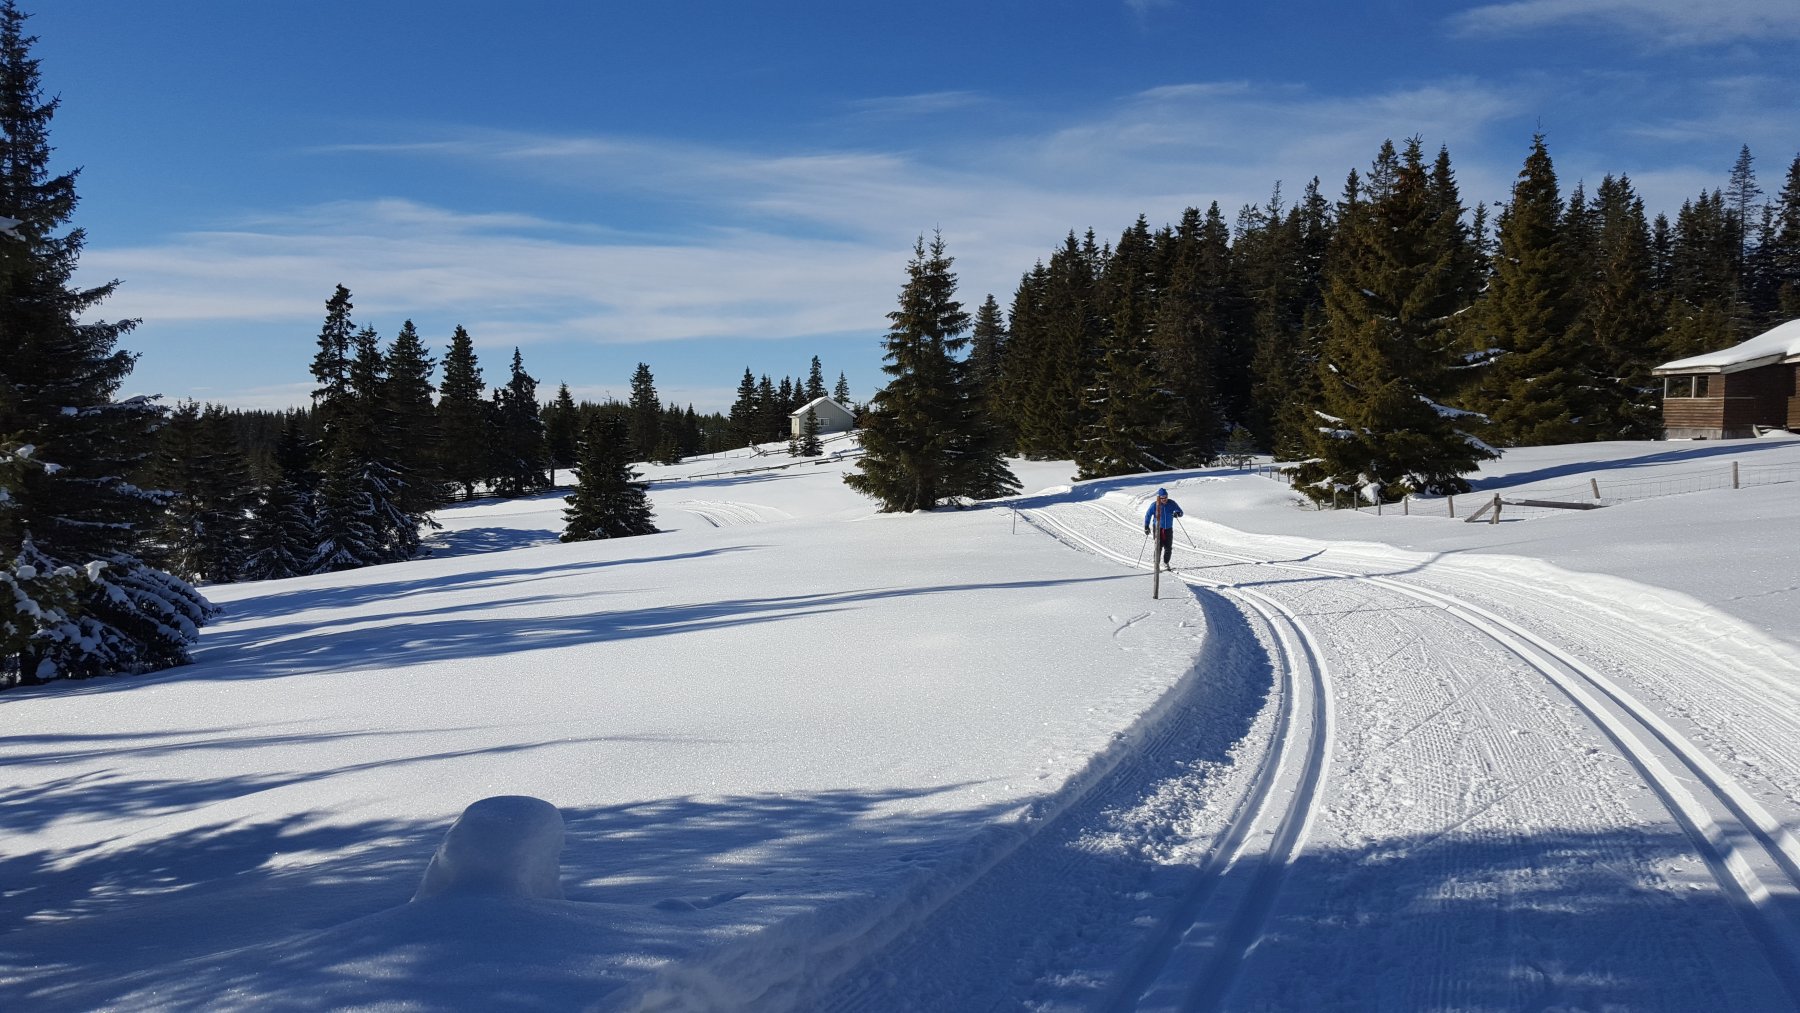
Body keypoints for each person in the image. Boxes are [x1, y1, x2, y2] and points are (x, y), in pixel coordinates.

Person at [1143, 487, 1183, 568]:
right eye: (1162, 498)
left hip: (1168, 528)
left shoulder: (1172, 503)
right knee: (1158, 546)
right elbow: (1148, 515)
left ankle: (1166, 562)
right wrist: (1146, 526)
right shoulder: (1155, 505)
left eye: (1165, 497)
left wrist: (1177, 514)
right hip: (1158, 528)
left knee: (1168, 547)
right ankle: (1156, 563)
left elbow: (1181, 512)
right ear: (1159, 497)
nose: (1164, 499)